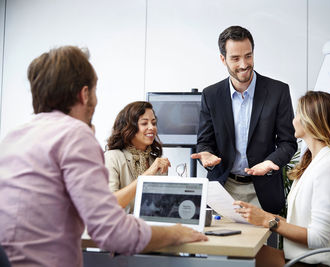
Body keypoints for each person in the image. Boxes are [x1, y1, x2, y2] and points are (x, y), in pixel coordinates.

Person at [0, 46, 207, 267]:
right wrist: (174, 233)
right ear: (85, 94)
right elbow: (113, 233)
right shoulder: (75, 135)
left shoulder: (13, 138)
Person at [234, 91, 330, 267]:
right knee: (237, 253)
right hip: (303, 258)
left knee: (237, 260)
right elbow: (297, 224)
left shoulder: (329, 168)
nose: (293, 120)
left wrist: (265, 220)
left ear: (311, 121)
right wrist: (259, 215)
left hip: (319, 263)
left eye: (297, 114)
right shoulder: (314, 163)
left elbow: (318, 239)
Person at [191, 25, 297, 214]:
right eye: (235, 58)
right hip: (224, 188)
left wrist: (270, 163)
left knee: (264, 244)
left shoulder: (278, 92)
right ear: (223, 59)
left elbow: (288, 142)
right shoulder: (211, 95)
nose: (243, 64)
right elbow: (204, 142)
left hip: (263, 191)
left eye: (248, 56)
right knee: (221, 244)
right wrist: (205, 154)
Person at [105, 101, 171, 213]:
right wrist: (147, 175)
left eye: (154, 123)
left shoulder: (155, 161)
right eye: (144, 123)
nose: (152, 128)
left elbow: (160, 207)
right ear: (128, 127)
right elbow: (109, 204)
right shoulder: (112, 158)